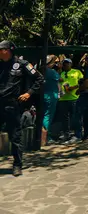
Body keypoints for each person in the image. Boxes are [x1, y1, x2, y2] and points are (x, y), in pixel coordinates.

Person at [0, 40, 44, 176]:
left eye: (1, 49)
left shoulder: (22, 64)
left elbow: (39, 79)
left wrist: (28, 93)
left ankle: (17, 165)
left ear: (8, 50)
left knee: (16, 136)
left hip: (12, 105)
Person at [58, 58, 83, 144]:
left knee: (75, 118)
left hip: (74, 98)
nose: (65, 65)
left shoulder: (77, 72)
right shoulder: (61, 74)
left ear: (71, 64)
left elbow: (82, 83)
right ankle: (66, 134)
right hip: (63, 99)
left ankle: (77, 135)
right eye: (64, 63)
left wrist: (74, 87)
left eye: (67, 63)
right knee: (64, 118)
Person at [43, 55, 62, 144]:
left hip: (43, 95)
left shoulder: (40, 71)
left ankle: (43, 135)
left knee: (43, 115)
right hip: (51, 96)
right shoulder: (52, 72)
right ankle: (46, 137)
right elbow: (60, 79)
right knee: (48, 116)